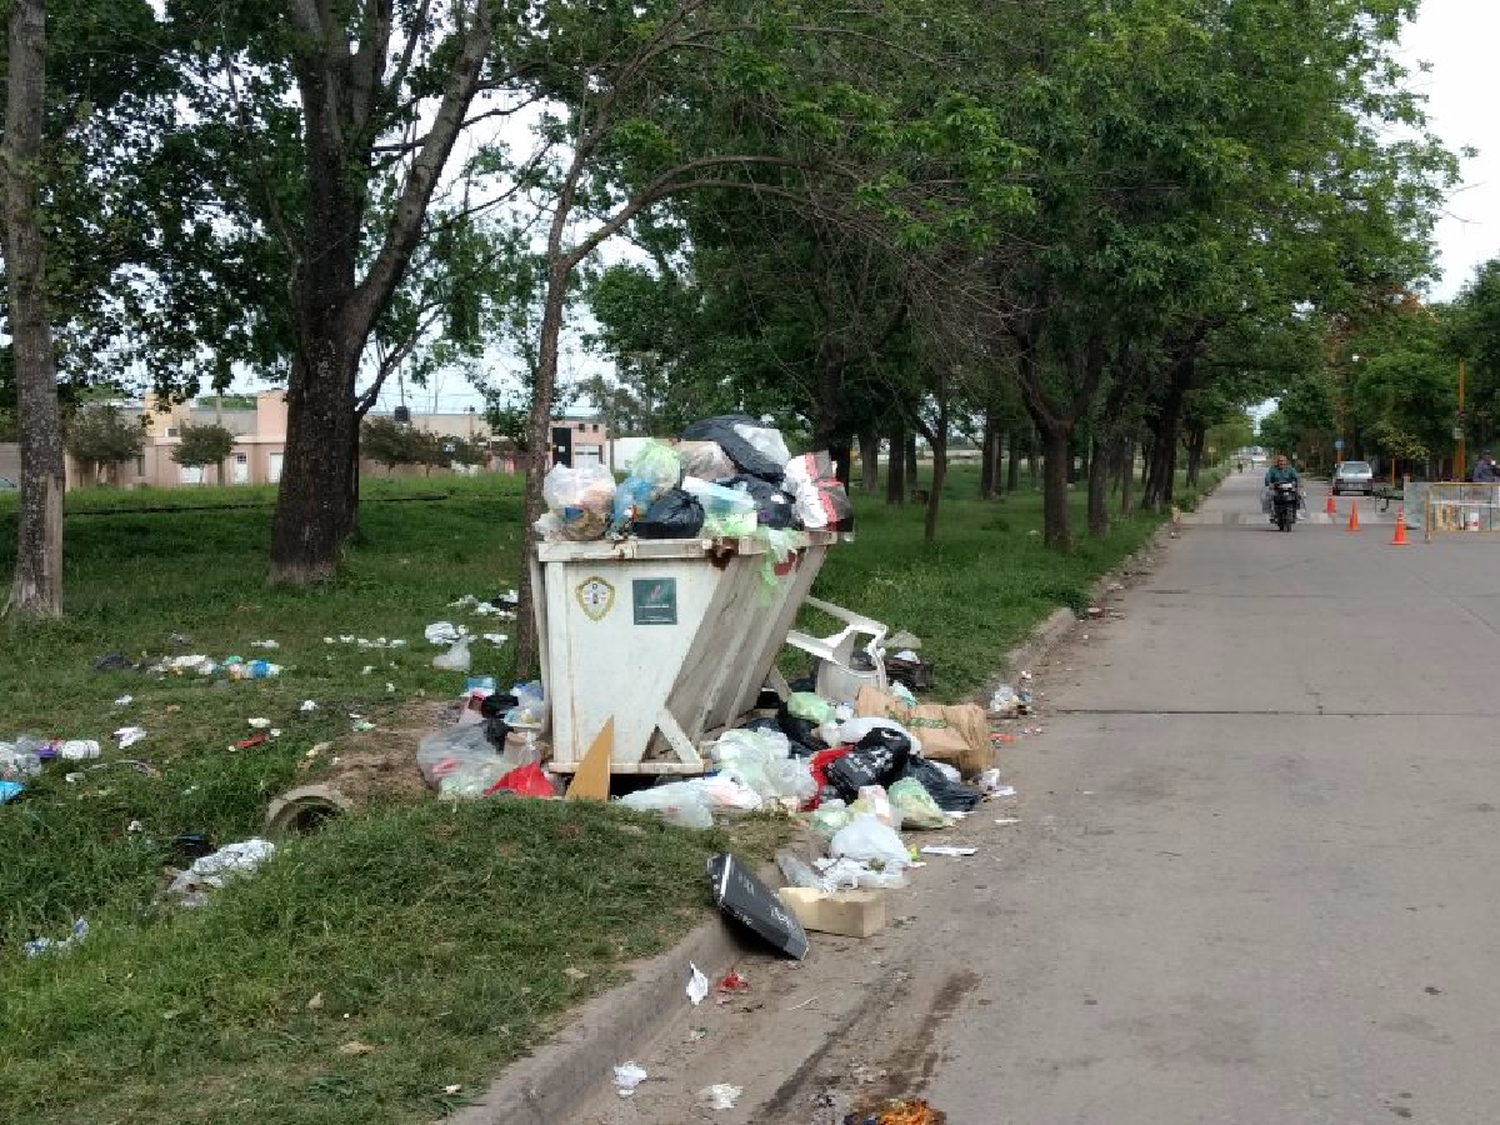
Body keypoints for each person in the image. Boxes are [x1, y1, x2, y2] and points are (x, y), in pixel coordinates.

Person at [1262, 453, 1300, 521]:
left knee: (1299, 495)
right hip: (1277, 489)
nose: (1282, 463)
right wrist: (1269, 483)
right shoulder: (1273, 469)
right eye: (1280, 461)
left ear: (1286, 462)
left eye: (1283, 461)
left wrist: (1297, 483)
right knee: (1268, 496)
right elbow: (1268, 477)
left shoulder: (1291, 469)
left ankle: (1296, 512)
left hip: (1289, 489)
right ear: (1277, 462)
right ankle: (1272, 513)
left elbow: (1297, 477)